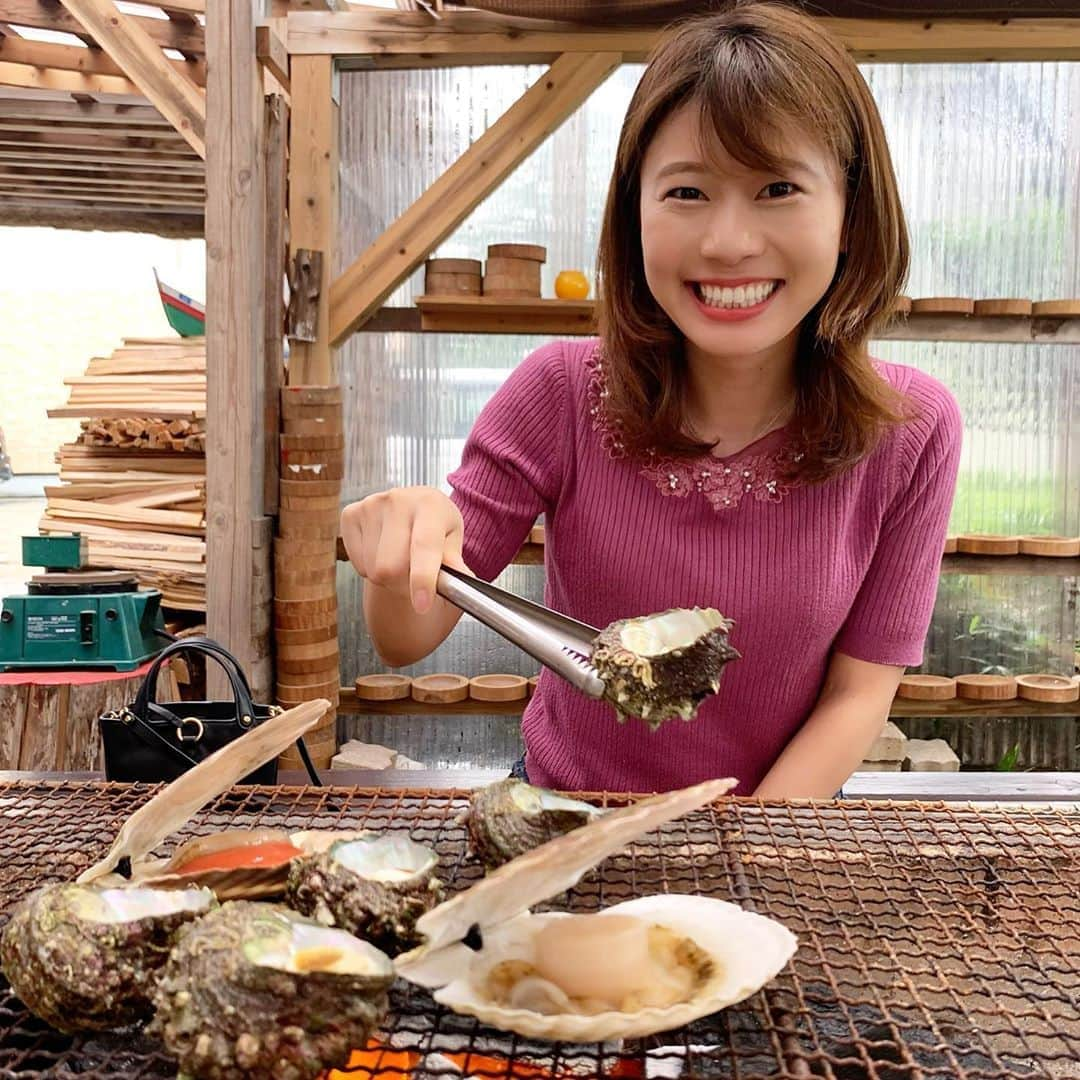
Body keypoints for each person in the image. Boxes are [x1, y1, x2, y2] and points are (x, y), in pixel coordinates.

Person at [340, 2, 962, 798]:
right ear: (635, 212)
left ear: (849, 214)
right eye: (687, 192)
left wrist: (739, 869)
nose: (728, 242)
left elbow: (859, 692)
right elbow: (406, 639)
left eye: (778, 187)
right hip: (566, 815)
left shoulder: (912, 429)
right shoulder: (559, 391)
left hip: (771, 833)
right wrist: (403, 548)